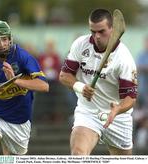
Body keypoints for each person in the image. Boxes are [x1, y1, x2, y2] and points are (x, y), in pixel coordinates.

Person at [59, 9, 138, 155]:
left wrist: (118, 109)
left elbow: (130, 98)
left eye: (102, 31)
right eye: (93, 31)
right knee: (78, 154)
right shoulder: (80, 44)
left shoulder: (124, 59)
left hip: (118, 118)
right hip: (88, 113)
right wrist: (81, 87)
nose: (97, 36)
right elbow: (64, 75)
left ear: (112, 29)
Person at [0, 20, 49, 155]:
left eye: (4, 39)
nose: (1, 44)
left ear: (10, 39)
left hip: (19, 119)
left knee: (10, 160)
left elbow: (44, 86)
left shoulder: (23, 57)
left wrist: (14, 81)